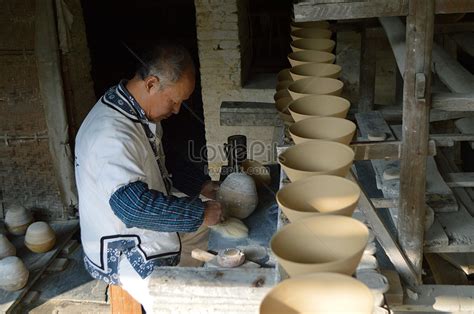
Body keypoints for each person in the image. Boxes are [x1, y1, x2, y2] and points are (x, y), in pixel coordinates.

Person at [74, 44, 223, 312]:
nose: (177, 110)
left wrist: (201, 185)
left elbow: (163, 158)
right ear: (152, 83)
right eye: (174, 100)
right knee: (175, 303)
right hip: (124, 241)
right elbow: (133, 207)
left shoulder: (132, 109)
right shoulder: (111, 133)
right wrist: (199, 213)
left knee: (219, 232)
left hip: (144, 222)